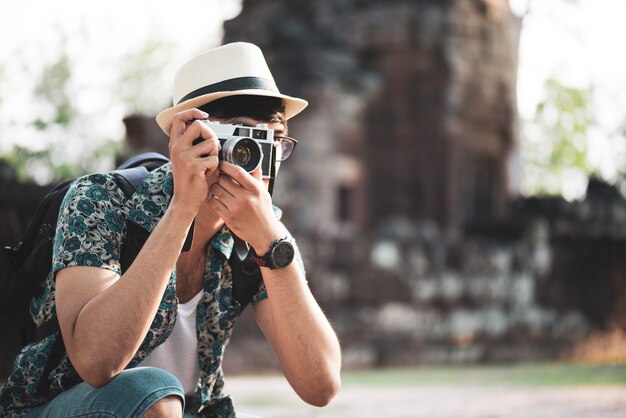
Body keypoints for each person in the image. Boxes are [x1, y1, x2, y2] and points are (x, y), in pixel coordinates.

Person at [0, 42, 341, 418]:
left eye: (269, 141)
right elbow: (96, 362)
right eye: (239, 136)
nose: (251, 162)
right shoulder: (101, 199)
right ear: (187, 136)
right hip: (59, 406)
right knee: (149, 392)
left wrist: (273, 245)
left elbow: (320, 385)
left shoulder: (261, 232)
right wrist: (181, 210)